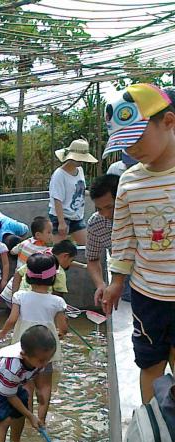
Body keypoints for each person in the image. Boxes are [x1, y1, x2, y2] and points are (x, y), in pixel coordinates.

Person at [101, 83, 175, 403]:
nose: (131, 149)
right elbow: (124, 234)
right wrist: (117, 281)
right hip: (148, 295)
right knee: (150, 362)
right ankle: (154, 427)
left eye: (137, 138)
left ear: (168, 122)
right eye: (124, 144)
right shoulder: (130, 181)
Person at [0, 253, 68, 442]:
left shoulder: (19, 296)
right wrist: (59, 334)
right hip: (46, 350)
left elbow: (12, 320)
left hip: (24, 348)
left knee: (25, 385)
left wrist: (2, 333)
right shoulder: (57, 302)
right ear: (53, 278)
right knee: (44, 385)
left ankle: (29, 418)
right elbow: (63, 327)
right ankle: (42, 420)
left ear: (28, 276)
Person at [84, 174, 129, 305]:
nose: (106, 214)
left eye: (110, 207)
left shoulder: (139, 215)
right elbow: (92, 258)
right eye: (99, 209)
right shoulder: (96, 222)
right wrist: (100, 284)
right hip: (121, 274)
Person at [48, 139, 97, 245]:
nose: (80, 161)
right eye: (78, 158)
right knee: (60, 251)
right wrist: (61, 222)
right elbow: (57, 199)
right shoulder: (59, 175)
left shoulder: (80, 170)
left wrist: (95, 193)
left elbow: (80, 190)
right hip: (61, 216)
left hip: (77, 216)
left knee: (88, 247)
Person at [2, 239, 76, 305]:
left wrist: (15, 296)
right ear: (65, 256)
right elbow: (58, 295)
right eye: (71, 260)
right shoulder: (59, 271)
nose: (70, 264)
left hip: (14, 298)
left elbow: (18, 273)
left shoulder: (39, 259)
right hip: (34, 305)